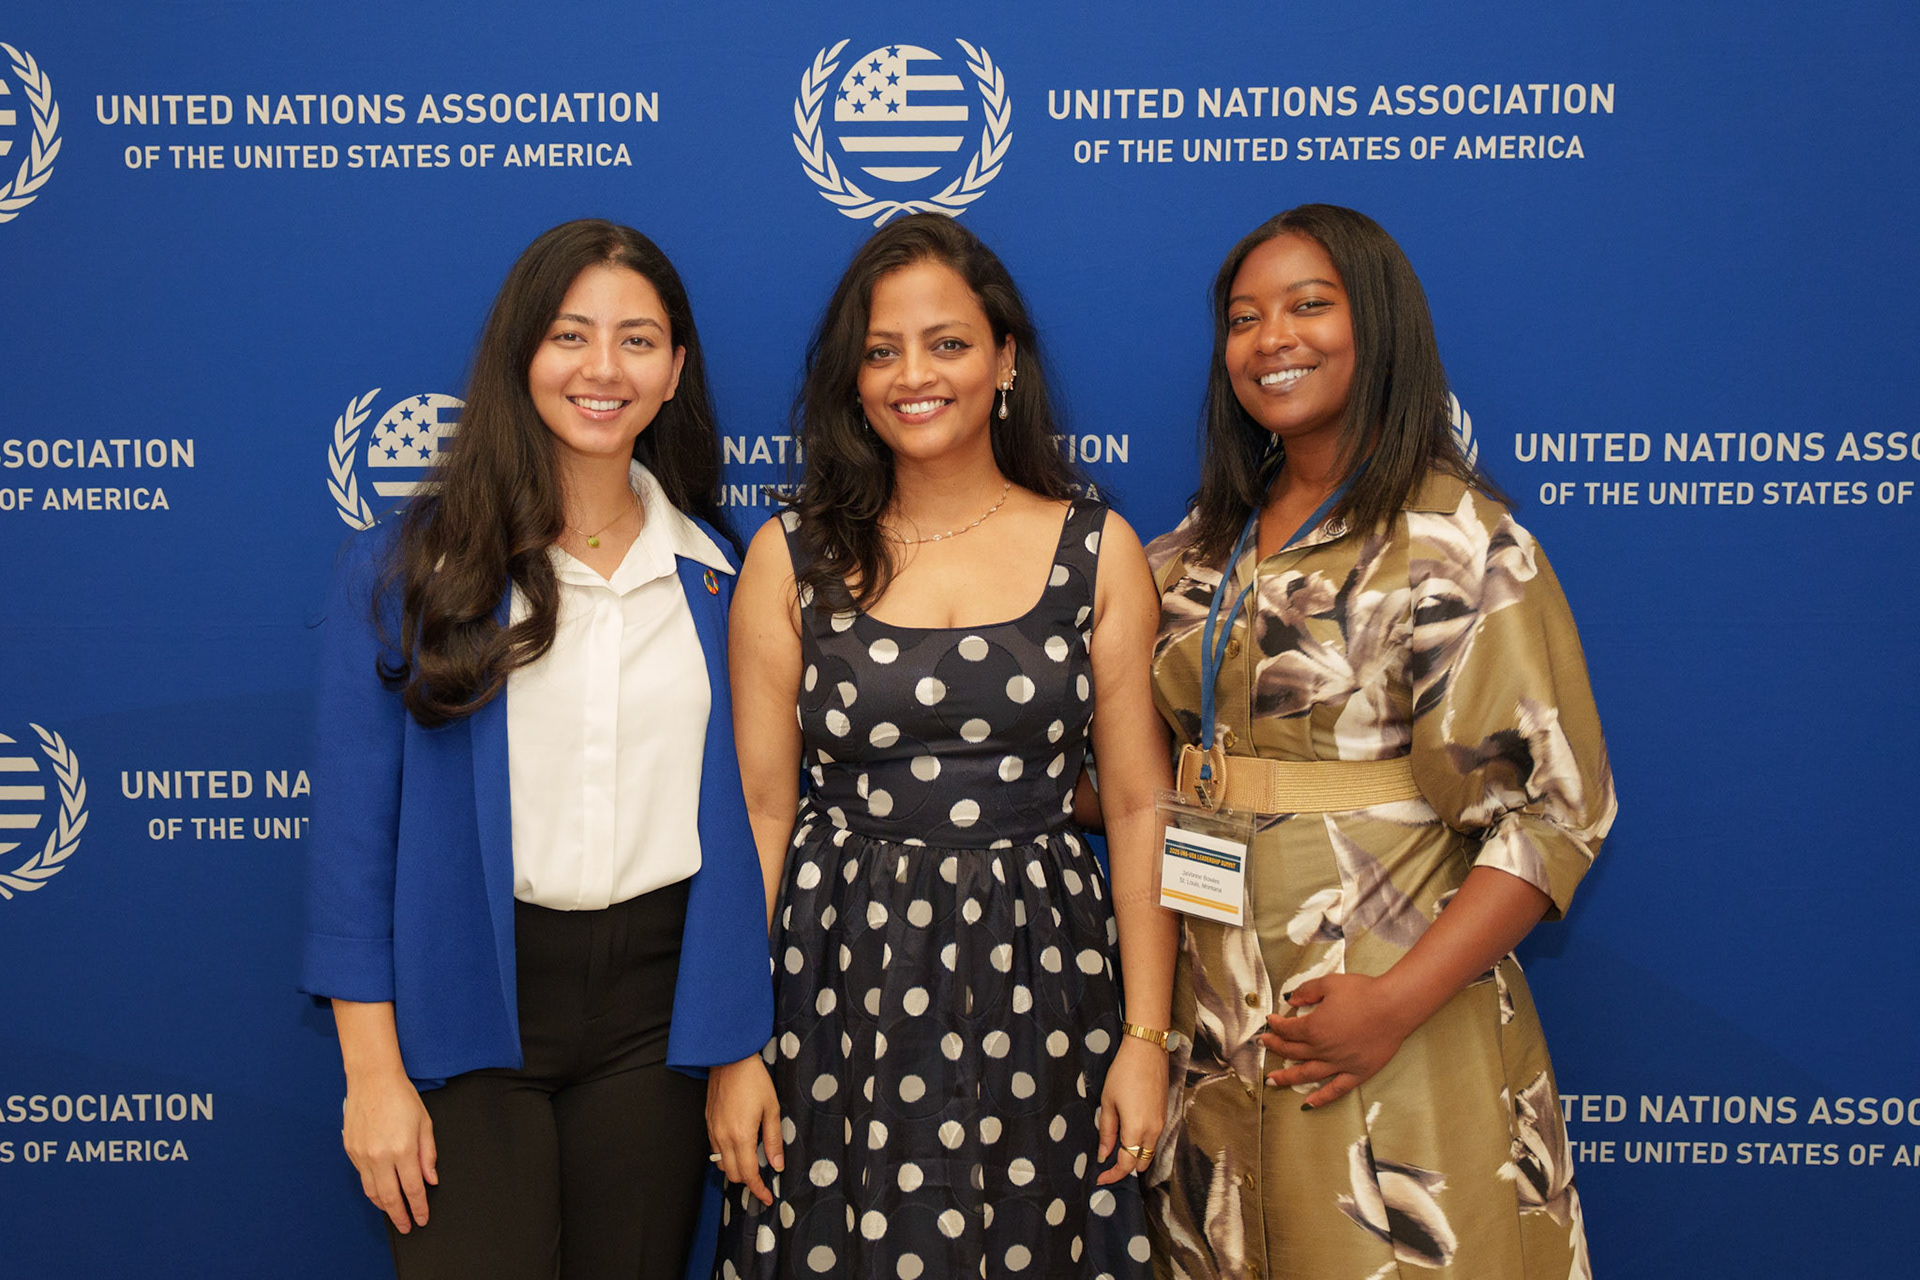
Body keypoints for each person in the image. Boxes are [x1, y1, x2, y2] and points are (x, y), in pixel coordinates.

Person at [1142, 204, 1615, 1279]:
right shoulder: (1198, 546)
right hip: (1213, 1028)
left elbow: (1551, 817)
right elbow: (1135, 774)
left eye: (1309, 305)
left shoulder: (1460, 539)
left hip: (1389, 1015)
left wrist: (1392, 1004)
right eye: (1245, 318)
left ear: (1380, 326)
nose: (1273, 338)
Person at [300, 219, 771, 1279]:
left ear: (675, 371)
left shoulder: (723, 577)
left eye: (637, 340)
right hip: (468, 1001)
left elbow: (754, 820)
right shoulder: (408, 570)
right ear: (521, 354)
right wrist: (371, 1075)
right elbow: (351, 854)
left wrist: (736, 1038)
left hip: (657, 1024)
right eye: (571, 335)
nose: (603, 368)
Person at [708, 213, 1176, 1279]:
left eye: (948, 342)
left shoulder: (1096, 548)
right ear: (853, 378)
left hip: (1046, 976)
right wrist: (736, 1043)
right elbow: (761, 813)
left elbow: (1138, 805)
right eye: (882, 350)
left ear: (1005, 359)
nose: (914, 375)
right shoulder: (790, 555)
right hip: (833, 982)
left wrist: (1145, 1041)